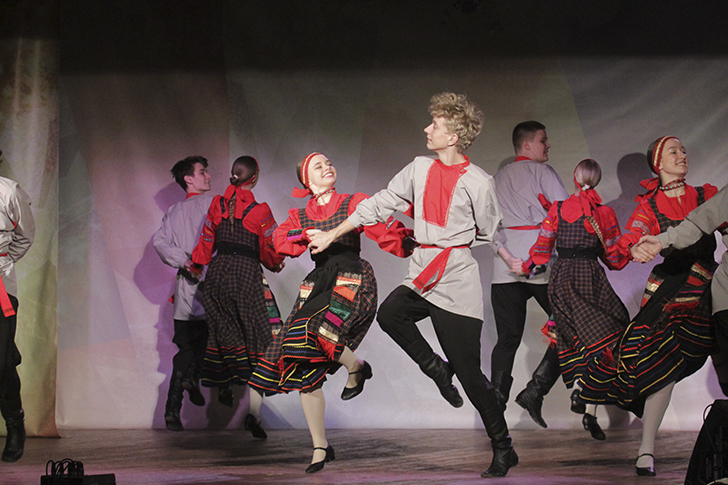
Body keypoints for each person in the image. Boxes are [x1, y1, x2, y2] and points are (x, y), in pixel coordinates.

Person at [308, 93, 517, 478]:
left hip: (455, 281)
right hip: (422, 273)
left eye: (435, 125)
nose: (427, 129)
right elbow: (379, 204)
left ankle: (503, 447)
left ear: (453, 136)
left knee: (470, 376)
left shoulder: (479, 181)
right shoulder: (419, 168)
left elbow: (489, 231)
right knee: (391, 314)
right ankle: (436, 369)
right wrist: (332, 233)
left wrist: (450, 239)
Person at [249, 152, 413, 473]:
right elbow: (280, 240)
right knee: (302, 359)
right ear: (307, 181)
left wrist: (410, 242)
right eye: (318, 166)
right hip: (319, 282)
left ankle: (357, 367)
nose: (327, 168)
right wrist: (303, 235)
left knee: (320, 330)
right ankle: (320, 446)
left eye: (329, 163)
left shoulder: (353, 202)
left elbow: (382, 228)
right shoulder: (300, 215)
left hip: (350, 277)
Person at [576, 136, 718, 476]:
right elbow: (633, 237)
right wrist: (631, 247)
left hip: (709, 284)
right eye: (674, 151)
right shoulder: (650, 206)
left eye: (684, 150)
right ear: (658, 163)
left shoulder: (706, 195)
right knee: (658, 363)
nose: (682, 155)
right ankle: (646, 449)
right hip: (672, 288)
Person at [518, 159, 630, 441]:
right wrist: (633, 250)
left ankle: (580, 401)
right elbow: (614, 257)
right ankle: (581, 395)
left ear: (574, 177)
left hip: (562, 278)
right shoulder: (604, 213)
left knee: (574, 336)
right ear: (598, 179)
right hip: (589, 278)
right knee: (606, 334)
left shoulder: (557, 209)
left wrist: (528, 265)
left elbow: (543, 246)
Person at [191, 155, 284, 439]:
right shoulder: (260, 210)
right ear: (254, 178)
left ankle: (226, 384)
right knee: (260, 339)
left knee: (224, 332)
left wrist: (198, 265)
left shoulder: (217, 205)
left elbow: (206, 240)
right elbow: (269, 247)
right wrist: (276, 264)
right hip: (246, 275)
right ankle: (253, 414)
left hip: (218, 274)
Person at [489, 121, 569, 428]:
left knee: (506, 339)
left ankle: (495, 408)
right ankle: (536, 390)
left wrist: (505, 254)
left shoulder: (496, 179)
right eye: (543, 140)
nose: (547, 146)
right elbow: (565, 214)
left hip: (504, 265)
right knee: (570, 326)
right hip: (539, 259)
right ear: (526, 145)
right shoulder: (543, 172)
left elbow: (487, 225)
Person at [634, 182, 728, 395]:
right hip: (680, 281)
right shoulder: (650, 205)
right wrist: (654, 243)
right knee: (662, 350)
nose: (682, 162)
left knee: (715, 350)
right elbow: (698, 223)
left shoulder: (703, 194)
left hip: (705, 279)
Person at [153, 155, 214, 431]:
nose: (208, 176)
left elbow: (160, 243)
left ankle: (172, 409)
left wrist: (184, 261)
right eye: (203, 172)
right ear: (188, 179)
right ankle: (193, 378)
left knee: (187, 348)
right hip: (211, 284)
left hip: (187, 287)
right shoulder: (214, 204)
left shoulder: (174, 212)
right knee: (209, 341)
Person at [0, 161, 35, 463]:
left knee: (1, 361)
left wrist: (3, 263)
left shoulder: (8, 192)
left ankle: (15, 425)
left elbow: (25, 236)